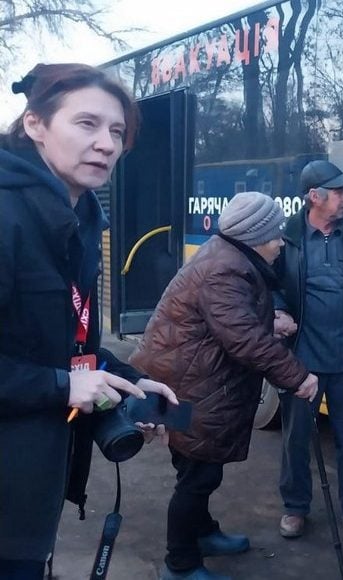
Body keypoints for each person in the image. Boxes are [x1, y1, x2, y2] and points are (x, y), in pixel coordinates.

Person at [0, 63, 179, 579]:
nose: (107, 144)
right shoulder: (8, 215)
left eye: (117, 132)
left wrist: (123, 377)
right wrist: (63, 387)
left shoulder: (76, 219)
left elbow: (62, 340)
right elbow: (56, 373)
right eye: (87, 124)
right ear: (35, 123)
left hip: (34, 489)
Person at [131, 191, 319, 580]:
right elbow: (243, 339)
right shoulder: (227, 269)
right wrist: (298, 377)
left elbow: (225, 324)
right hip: (189, 386)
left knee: (199, 472)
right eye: (275, 235)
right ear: (254, 237)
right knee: (197, 478)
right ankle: (180, 564)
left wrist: (269, 322)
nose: (281, 243)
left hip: (188, 378)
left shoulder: (228, 256)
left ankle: (202, 534)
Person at [273, 160, 343, 541]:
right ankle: (295, 508)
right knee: (295, 438)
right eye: (339, 192)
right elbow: (266, 284)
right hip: (299, 360)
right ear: (314, 197)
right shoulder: (286, 237)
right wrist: (276, 311)